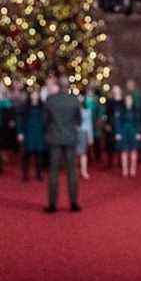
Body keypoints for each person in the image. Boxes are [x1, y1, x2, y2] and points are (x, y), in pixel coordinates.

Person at [44, 77, 82, 213]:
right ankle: (73, 203)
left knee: (53, 172)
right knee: (72, 172)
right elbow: (79, 120)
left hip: (55, 138)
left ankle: (52, 205)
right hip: (70, 138)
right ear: (67, 86)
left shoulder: (50, 100)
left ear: (57, 86)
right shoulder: (74, 100)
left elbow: (46, 120)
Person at [18, 89, 46, 182]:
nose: (34, 96)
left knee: (39, 156)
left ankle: (39, 174)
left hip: (39, 133)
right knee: (26, 155)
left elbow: (46, 121)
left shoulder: (43, 107)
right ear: (30, 96)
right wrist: (20, 132)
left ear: (38, 96)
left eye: (36, 94)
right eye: (33, 94)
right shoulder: (25, 107)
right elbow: (21, 121)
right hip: (28, 132)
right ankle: (25, 175)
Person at [115, 93, 141, 178]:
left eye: (130, 100)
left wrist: (138, 132)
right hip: (123, 132)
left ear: (132, 101)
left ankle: (132, 170)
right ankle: (125, 170)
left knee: (133, 151)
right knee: (124, 151)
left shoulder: (135, 110)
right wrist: (118, 133)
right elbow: (118, 122)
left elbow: (138, 122)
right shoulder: (121, 110)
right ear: (125, 101)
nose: (128, 101)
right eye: (127, 100)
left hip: (133, 132)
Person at [104, 85, 123, 170]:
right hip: (111, 124)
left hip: (120, 124)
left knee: (120, 144)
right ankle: (110, 163)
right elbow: (106, 114)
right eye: (114, 90)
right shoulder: (109, 101)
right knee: (110, 144)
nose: (115, 91)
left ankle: (120, 162)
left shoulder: (123, 101)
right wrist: (107, 124)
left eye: (117, 89)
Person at [78, 88, 95, 180]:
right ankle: (74, 170)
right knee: (74, 153)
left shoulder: (88, 110)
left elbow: (89, 123)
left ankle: (83, 171)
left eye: (81, 97)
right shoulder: (73, 109)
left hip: (84, 132)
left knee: (83, 153)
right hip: (75, 132)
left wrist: (90, 136)